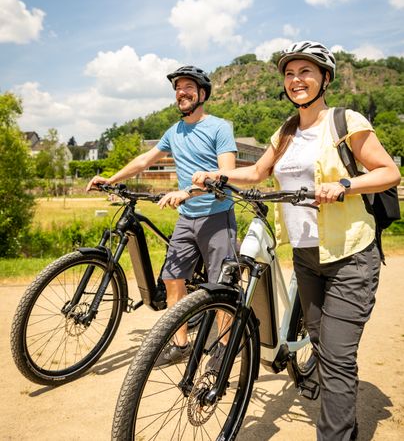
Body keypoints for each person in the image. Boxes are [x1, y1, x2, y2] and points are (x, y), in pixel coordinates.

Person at [192, 41, 401, 441]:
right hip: (306, 256)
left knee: (337, 359)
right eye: (289, 74)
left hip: (351, 255)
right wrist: (218, 175)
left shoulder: (345, 121)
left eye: (306, 71)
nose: (296, 80)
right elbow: (256, 172)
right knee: (323, 348)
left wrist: (345, 184)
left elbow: (389, 172)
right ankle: (346, 428)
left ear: (325, 78)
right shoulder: (286, 130)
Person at [87, 65, 237, 365]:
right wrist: (112, 179)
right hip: (187, 218)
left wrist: (189, 192)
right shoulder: (175, 131)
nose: (181, 92)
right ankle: (181, 345)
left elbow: (228, 174)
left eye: (188, 87)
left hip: (217, 216)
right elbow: (145, 159)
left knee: (222, 286)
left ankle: (223, 348)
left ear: (202, 93)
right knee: (172, 279)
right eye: (178, 88)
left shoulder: (220, 127)